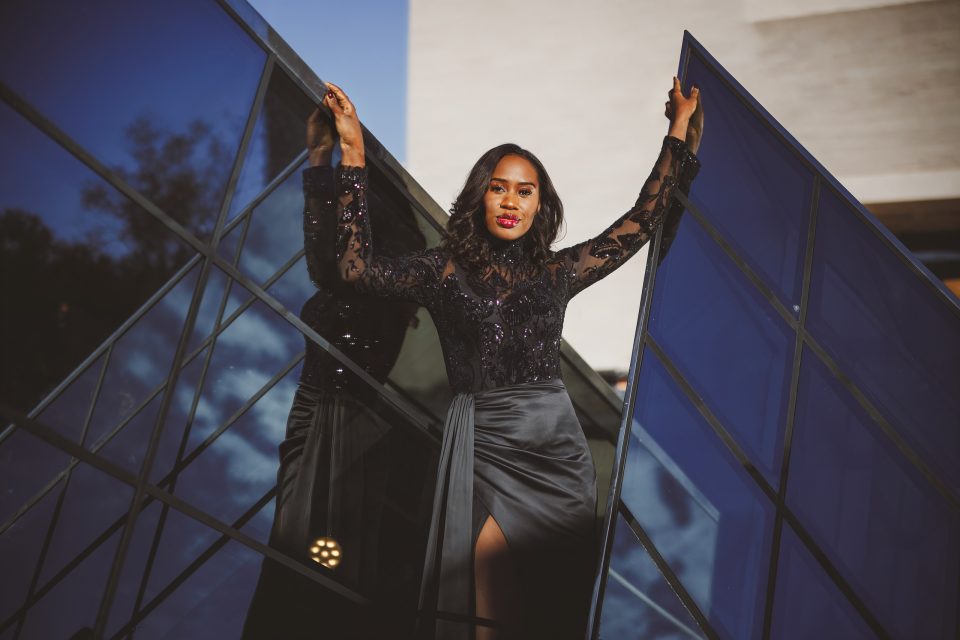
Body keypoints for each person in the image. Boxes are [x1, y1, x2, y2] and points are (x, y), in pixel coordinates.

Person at [322, 78, 702, 639]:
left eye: (525, 192)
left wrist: (675, 131)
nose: (511, 201)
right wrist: (352, 152)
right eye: (500, 188)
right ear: (481, 195)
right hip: (481, 446)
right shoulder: (439, 271)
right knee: (484, 608)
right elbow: (355, 270)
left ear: (539, 206)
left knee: (543, 613)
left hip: (553, 454)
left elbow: (641, 222)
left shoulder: (557, 273)